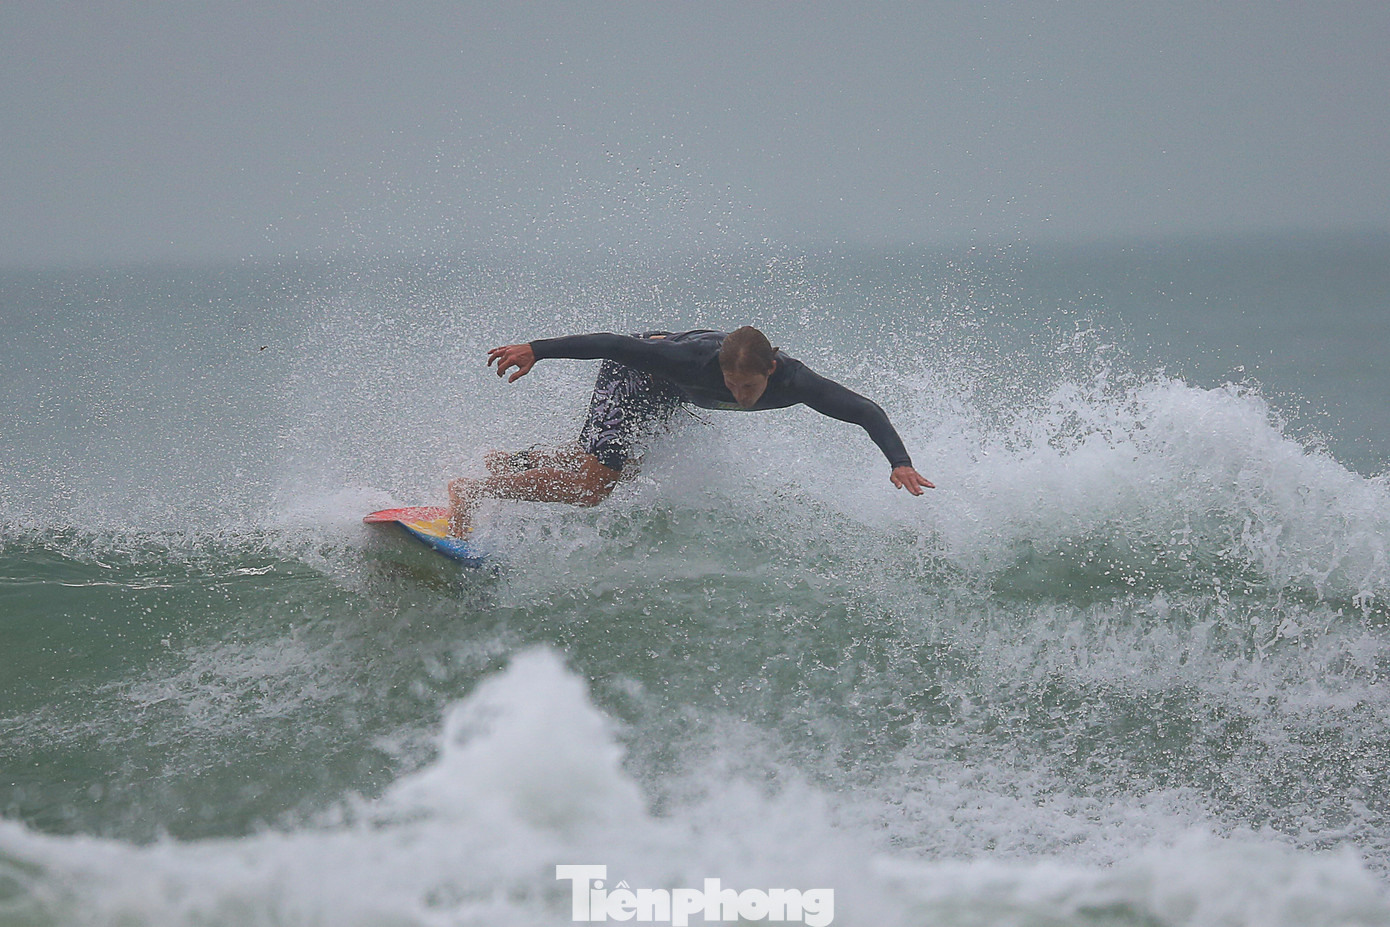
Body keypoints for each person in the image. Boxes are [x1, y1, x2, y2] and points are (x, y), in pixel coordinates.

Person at [447, 327, 933, 536]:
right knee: (596, 487)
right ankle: (475, 491)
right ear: (719, 368)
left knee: (609, 466)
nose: (741, 394)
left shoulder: (797, 382)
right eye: (731, 384)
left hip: (668, 395)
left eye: (749, 385)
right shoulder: (687, 360)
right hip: (634, 375)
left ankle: (510, 463)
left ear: (771, 368)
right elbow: (613, 344)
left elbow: (865, 410)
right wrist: (537, 348)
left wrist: (900, 461)